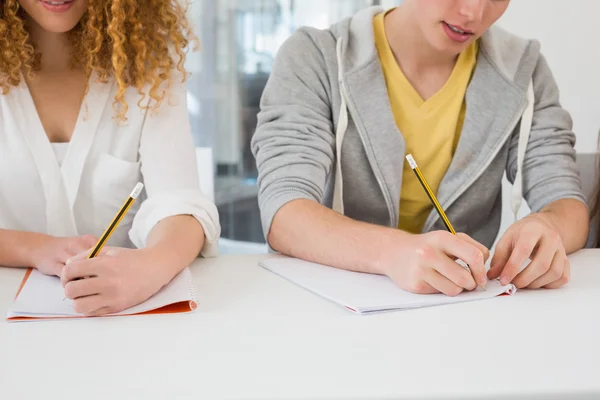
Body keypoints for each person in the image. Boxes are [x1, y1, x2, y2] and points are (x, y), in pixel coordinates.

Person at [251, 0, 589, 296]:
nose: (473, 12)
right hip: (333, 308)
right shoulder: (315, 56)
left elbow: (567, 204)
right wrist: (391, 252)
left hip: (461, 311)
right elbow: (284, 213)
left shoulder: (524, 72)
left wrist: (548, 227)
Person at [0, 0, 220, 315]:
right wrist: (32, 247)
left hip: (121, 324)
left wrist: (151, 266)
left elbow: (179, 202)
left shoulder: (147, 54)